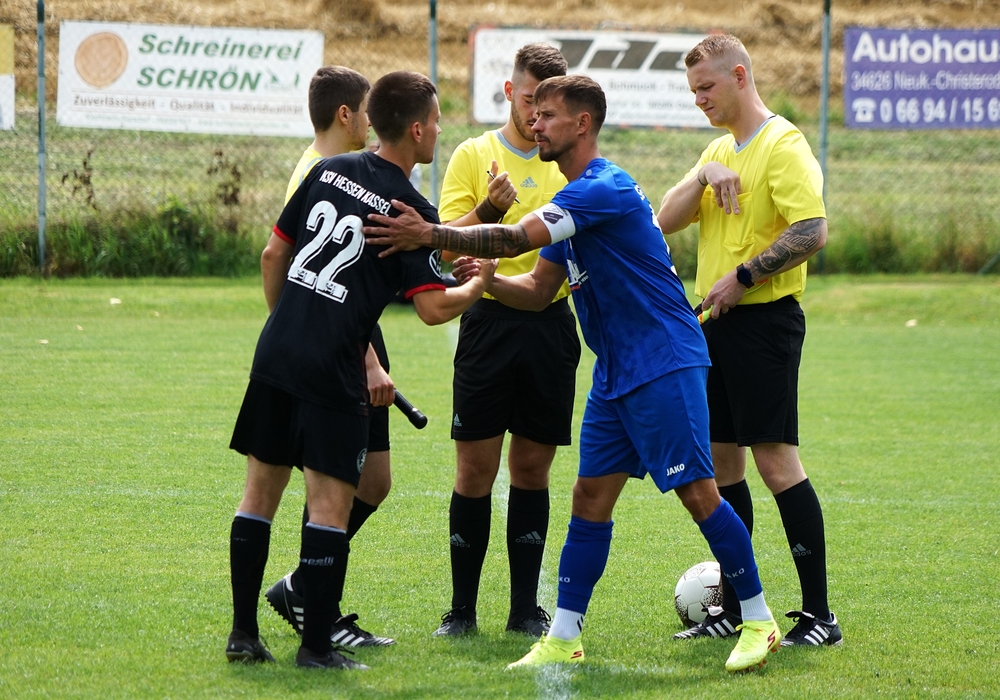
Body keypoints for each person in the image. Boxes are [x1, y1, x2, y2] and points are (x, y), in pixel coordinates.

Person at [364, 74, 782, 673]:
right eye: (533, 115)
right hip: (615, 373)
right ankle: (563, 635)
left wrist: (431, 234)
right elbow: (539, 290)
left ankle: (759, 620)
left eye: (548, 116)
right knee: (588, 497)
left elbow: (515, 237)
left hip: (662, 360)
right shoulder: (573, 199)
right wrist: (485, 281)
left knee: (698, 493)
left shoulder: (601, 189)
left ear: (582, 124)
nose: (535, 124)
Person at [225, 70, 495, 670]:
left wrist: (290, 321)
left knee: (258, 496)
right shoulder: (409, 210)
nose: (440, 131)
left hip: (276, 353)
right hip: (335, 367)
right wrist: (477, 287)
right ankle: (316, 649)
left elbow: (273, 254)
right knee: (329, 508)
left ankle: (243, 634)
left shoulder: (327, 170)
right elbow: (432, 309)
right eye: (437, 122)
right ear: (417, 130)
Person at [657, 34, 840, 647]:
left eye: (707, 87)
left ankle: (820, 616)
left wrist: (743, 276)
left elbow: (812, 230)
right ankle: (735, 610)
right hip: (715, 328)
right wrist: (704, 174)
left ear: (739, 76)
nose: (699, 99)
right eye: (693, 91)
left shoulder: (783, 144)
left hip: (764, 324)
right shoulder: (717, 149)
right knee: (723, 466)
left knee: (775, 462)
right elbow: (664, 219)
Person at [431, 43, 580, 638]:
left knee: (532, 468)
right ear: (510, 92)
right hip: (488, 326)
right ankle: (461, 611)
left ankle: (524, 610)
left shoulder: (568, 164)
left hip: (550, 325)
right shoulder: (473, 155)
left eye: (548, 105)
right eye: (529, 99)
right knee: (474, 469)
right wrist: (487, 211)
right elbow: (442, 248)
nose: (536, 114)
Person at [261, 66, 396, 648]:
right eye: (366, 111)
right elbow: (293, 269)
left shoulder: (340, 169)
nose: (371, 122)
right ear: (346, 115)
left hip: (353, 331)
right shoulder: (318, 174)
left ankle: (304, 591)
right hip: (341, 343)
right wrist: (364, 358)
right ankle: (315, 605)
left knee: (373, 480)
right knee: (334, 483)